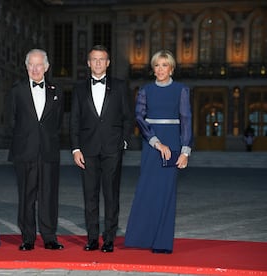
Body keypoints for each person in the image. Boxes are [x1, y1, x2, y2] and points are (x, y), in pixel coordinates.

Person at [124, 50, 192, 254]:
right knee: (147, 189)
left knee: (166, 192)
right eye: (157, 65)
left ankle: (162, 242)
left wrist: (185, 151)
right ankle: (141, 238)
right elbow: (139, 117)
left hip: (172, 144)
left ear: (171, 68)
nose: (161, 69)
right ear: (153, 69)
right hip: (151, 144)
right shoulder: (145, 90)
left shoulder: (181, 90)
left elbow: (186, 120)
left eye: (165, 65)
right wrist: (155, 142)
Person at [70, 45, 131, 253]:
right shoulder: (78, 88)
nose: (97, 63)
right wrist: (75, 148)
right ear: (88, 63)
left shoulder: (121, 86)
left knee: (111, 195)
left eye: (101, 59)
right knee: (90, 195)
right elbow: (74, 121)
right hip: (87, 150)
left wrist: (123, 141)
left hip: (113, 149)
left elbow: (127, 117)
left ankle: (110, 238)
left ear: (108, 63)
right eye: (94, 59)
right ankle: (92, 238)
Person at [7, 49, 64, 251]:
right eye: (31, 64)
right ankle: (28, 238)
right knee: (26, 197)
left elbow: (57, 123)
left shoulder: (57, 91)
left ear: (46, 67)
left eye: (39, 64)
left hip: (48, 152)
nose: (35, 68)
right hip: (25, 151)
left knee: (49, 196)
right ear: (26, 67)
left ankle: (49, 237)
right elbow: (11, 120)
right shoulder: (16, 90)